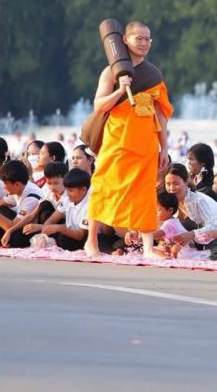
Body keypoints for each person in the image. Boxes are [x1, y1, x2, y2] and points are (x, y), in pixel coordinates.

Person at [86, 21, 172, 259]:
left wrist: (163, 147)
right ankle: (91, 240)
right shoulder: (110, 72)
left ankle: (146, 248)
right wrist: (120, 91)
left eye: (148, 39)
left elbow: (161, 116)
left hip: (145, 142)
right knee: (104, 186)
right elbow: (99, 106)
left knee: (145, 193)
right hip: (117, 140)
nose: (144, 44)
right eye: (139, 39)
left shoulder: (153, 74)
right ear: (125, 40)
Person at [22, 168, 97, 252]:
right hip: (69, 232)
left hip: (85, 238)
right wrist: (44, 234)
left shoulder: (89, 205)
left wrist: (59, 228)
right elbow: (51, 220)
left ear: (83, 190)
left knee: (62, 238)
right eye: (67, 190)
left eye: (71, 191)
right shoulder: (67, 199)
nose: (68, 193)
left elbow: (80, 235)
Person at [161, 163, 217, 253]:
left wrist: (191, 234)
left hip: (216, 243)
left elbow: (214, 225)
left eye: (176, 183)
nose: (171, 188)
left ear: (186, 182)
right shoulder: (172, 202)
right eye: (168, 184)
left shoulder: (197, 200)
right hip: (196, 247)